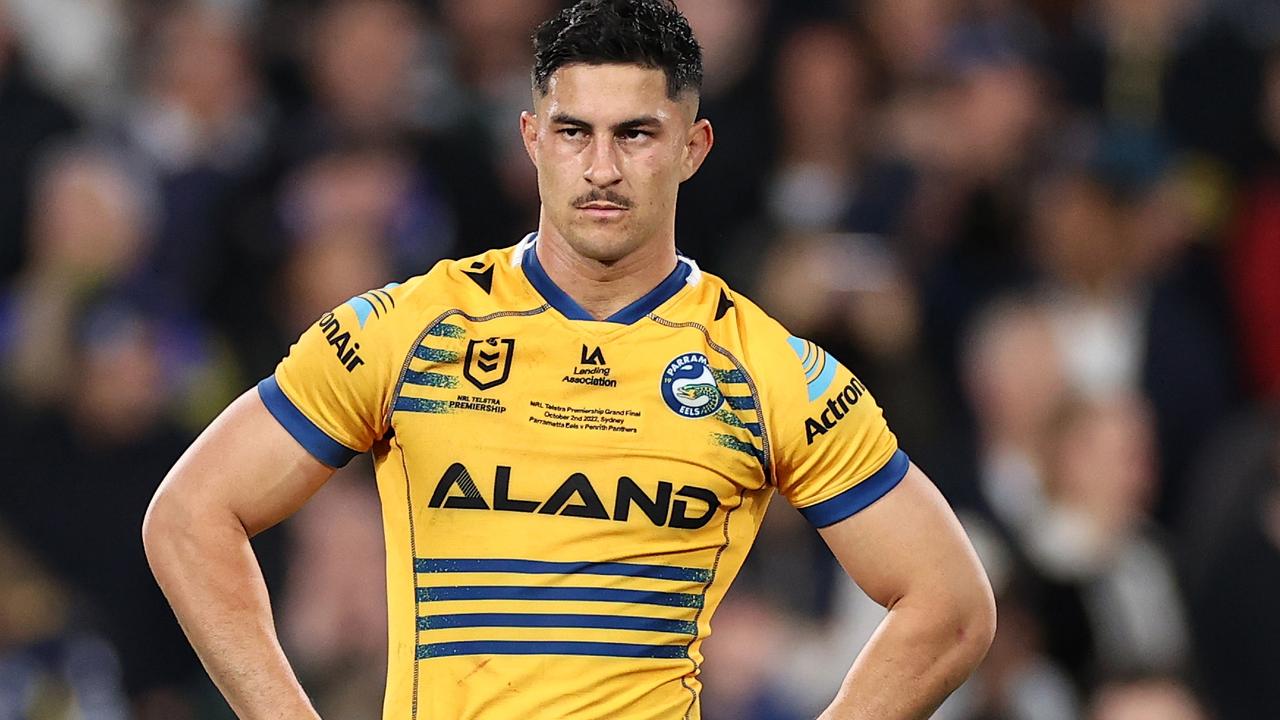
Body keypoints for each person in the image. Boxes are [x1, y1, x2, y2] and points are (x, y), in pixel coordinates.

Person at [142, 1, 995, 718]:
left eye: (635, 134)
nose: (601, 167)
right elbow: (188, 517)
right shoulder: (409, 330)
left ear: (694, 148)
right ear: (531, 139)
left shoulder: (764, 370)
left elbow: (952, 608)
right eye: (573, 131)